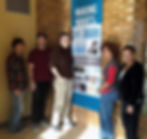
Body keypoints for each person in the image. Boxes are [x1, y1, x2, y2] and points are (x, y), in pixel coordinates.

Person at [117, 45, 144, 139]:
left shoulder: (138, 67)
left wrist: (131, 104)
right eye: (124, 55)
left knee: (131, 126)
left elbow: (137, 87)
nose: (126, 57)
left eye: (129, 55)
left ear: (134, 55)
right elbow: (119, 81)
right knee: (125, 123)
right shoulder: (122, 67)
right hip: (125, 99)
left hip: (133, 101)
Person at [28, 33, 52, 130]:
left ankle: (41, 118)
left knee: (43, 101)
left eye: (43, 40)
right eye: (40, 40)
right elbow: (30, 68)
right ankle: (35, 121)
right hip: (37, 81)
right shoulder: (33, 53)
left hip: (47, 81)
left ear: (46, 41)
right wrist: (32, 81)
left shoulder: (49, 51)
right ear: (37, 41)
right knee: (36, 102)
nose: (42, 42)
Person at [50, 32, 74, 131]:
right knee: (59, 102)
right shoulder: (56, 51)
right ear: (60, 41)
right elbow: (52, 67)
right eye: (64, 40)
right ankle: (54, 123)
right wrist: (59, 77)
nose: (67, 41)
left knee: (68, 101)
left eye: (68, 40)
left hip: (70, 80)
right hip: (61, 81)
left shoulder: (69, 50)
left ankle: (65, 119)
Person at [99, 42, 119, 139]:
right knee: (103, 116)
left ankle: (109, 136)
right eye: (103, 51)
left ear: (112, 52)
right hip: (106, 93)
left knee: (106, 117)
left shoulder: (112, 64)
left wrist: (100, 88)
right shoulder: (111, 63)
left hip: (109, 93)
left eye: (106, 51)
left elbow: (110, 82)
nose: (104, 53)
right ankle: (103, 135)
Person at [6, 38, 27, 133]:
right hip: (16, 88)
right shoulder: (11, 59)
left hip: (22, 87)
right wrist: (15, 89)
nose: (21, 47)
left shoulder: (21, 57)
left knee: (19, 108)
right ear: (14, 47)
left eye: (22, 46)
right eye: (19, 46)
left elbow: (22, 73)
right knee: (17, 109)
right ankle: (12, 128)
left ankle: (17, 124)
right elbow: (10, 75)